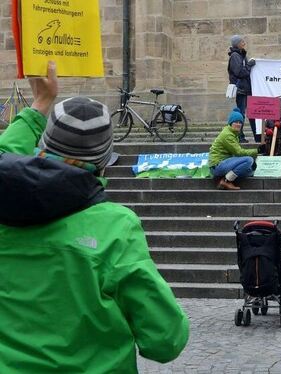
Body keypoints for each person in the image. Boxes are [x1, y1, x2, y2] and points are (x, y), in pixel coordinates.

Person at [0, 62, 189, 372]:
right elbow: (165, 340)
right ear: (104, 163)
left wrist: (39, 105)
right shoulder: (115, 227)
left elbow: (5, 155)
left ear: (43, 147)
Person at [209, 107, 258, 190]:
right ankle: (226, 181)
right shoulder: (227, 135)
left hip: (224, 163)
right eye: (236, 122)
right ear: (231, 123)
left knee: (249, 171)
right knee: (248, 160)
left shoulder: (233, 133)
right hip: (218, 165)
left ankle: (225, 179)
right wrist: (257, 151)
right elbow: (238, 152)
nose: (238, 124)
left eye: (240, 122)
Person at [228, 34, 256, 143]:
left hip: (246, 89)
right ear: (237, 44)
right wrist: (249, 65)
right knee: (241, 115)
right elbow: (240, 72)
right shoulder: (235, 56)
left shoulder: (241, 55)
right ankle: (239, 137)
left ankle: (256, 136)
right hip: (242, 90)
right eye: (242, 42)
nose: (244, 43)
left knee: (253, 114)